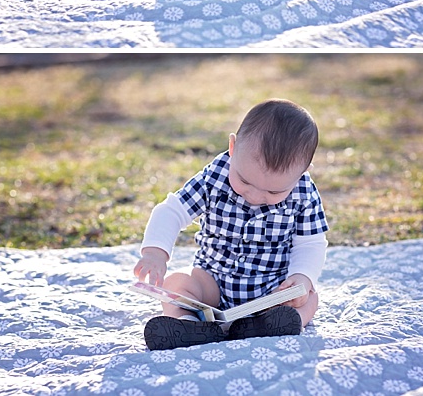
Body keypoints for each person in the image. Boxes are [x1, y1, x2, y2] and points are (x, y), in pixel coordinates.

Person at [134, 99, 328, 350]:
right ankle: (190, 325)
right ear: (233, 147)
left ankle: (275, 324)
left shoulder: (304, 192)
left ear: (302, 172)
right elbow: (171, 211)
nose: (255, 197)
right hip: (212, 282)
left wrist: (302, 278)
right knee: (177, 284)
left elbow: (311, 243)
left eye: (273, 190)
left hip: (271, 290)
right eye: (244, 180)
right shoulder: (214, 176)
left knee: (308, 298)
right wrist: (154, 253)